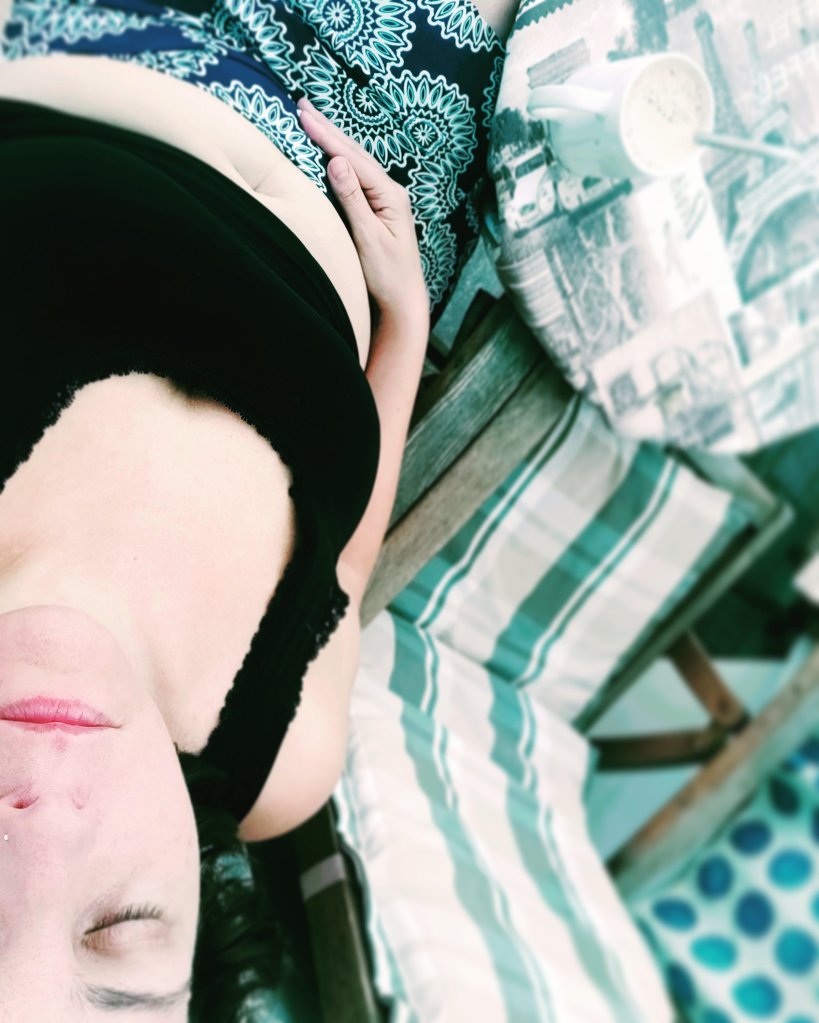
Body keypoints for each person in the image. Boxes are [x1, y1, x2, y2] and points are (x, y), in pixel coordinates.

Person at [0, 0, 516, 1019]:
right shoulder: (280, 759)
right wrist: (405, 326)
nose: (46, 827)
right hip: (379, 144)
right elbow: (345, 568)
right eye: (118, 930)